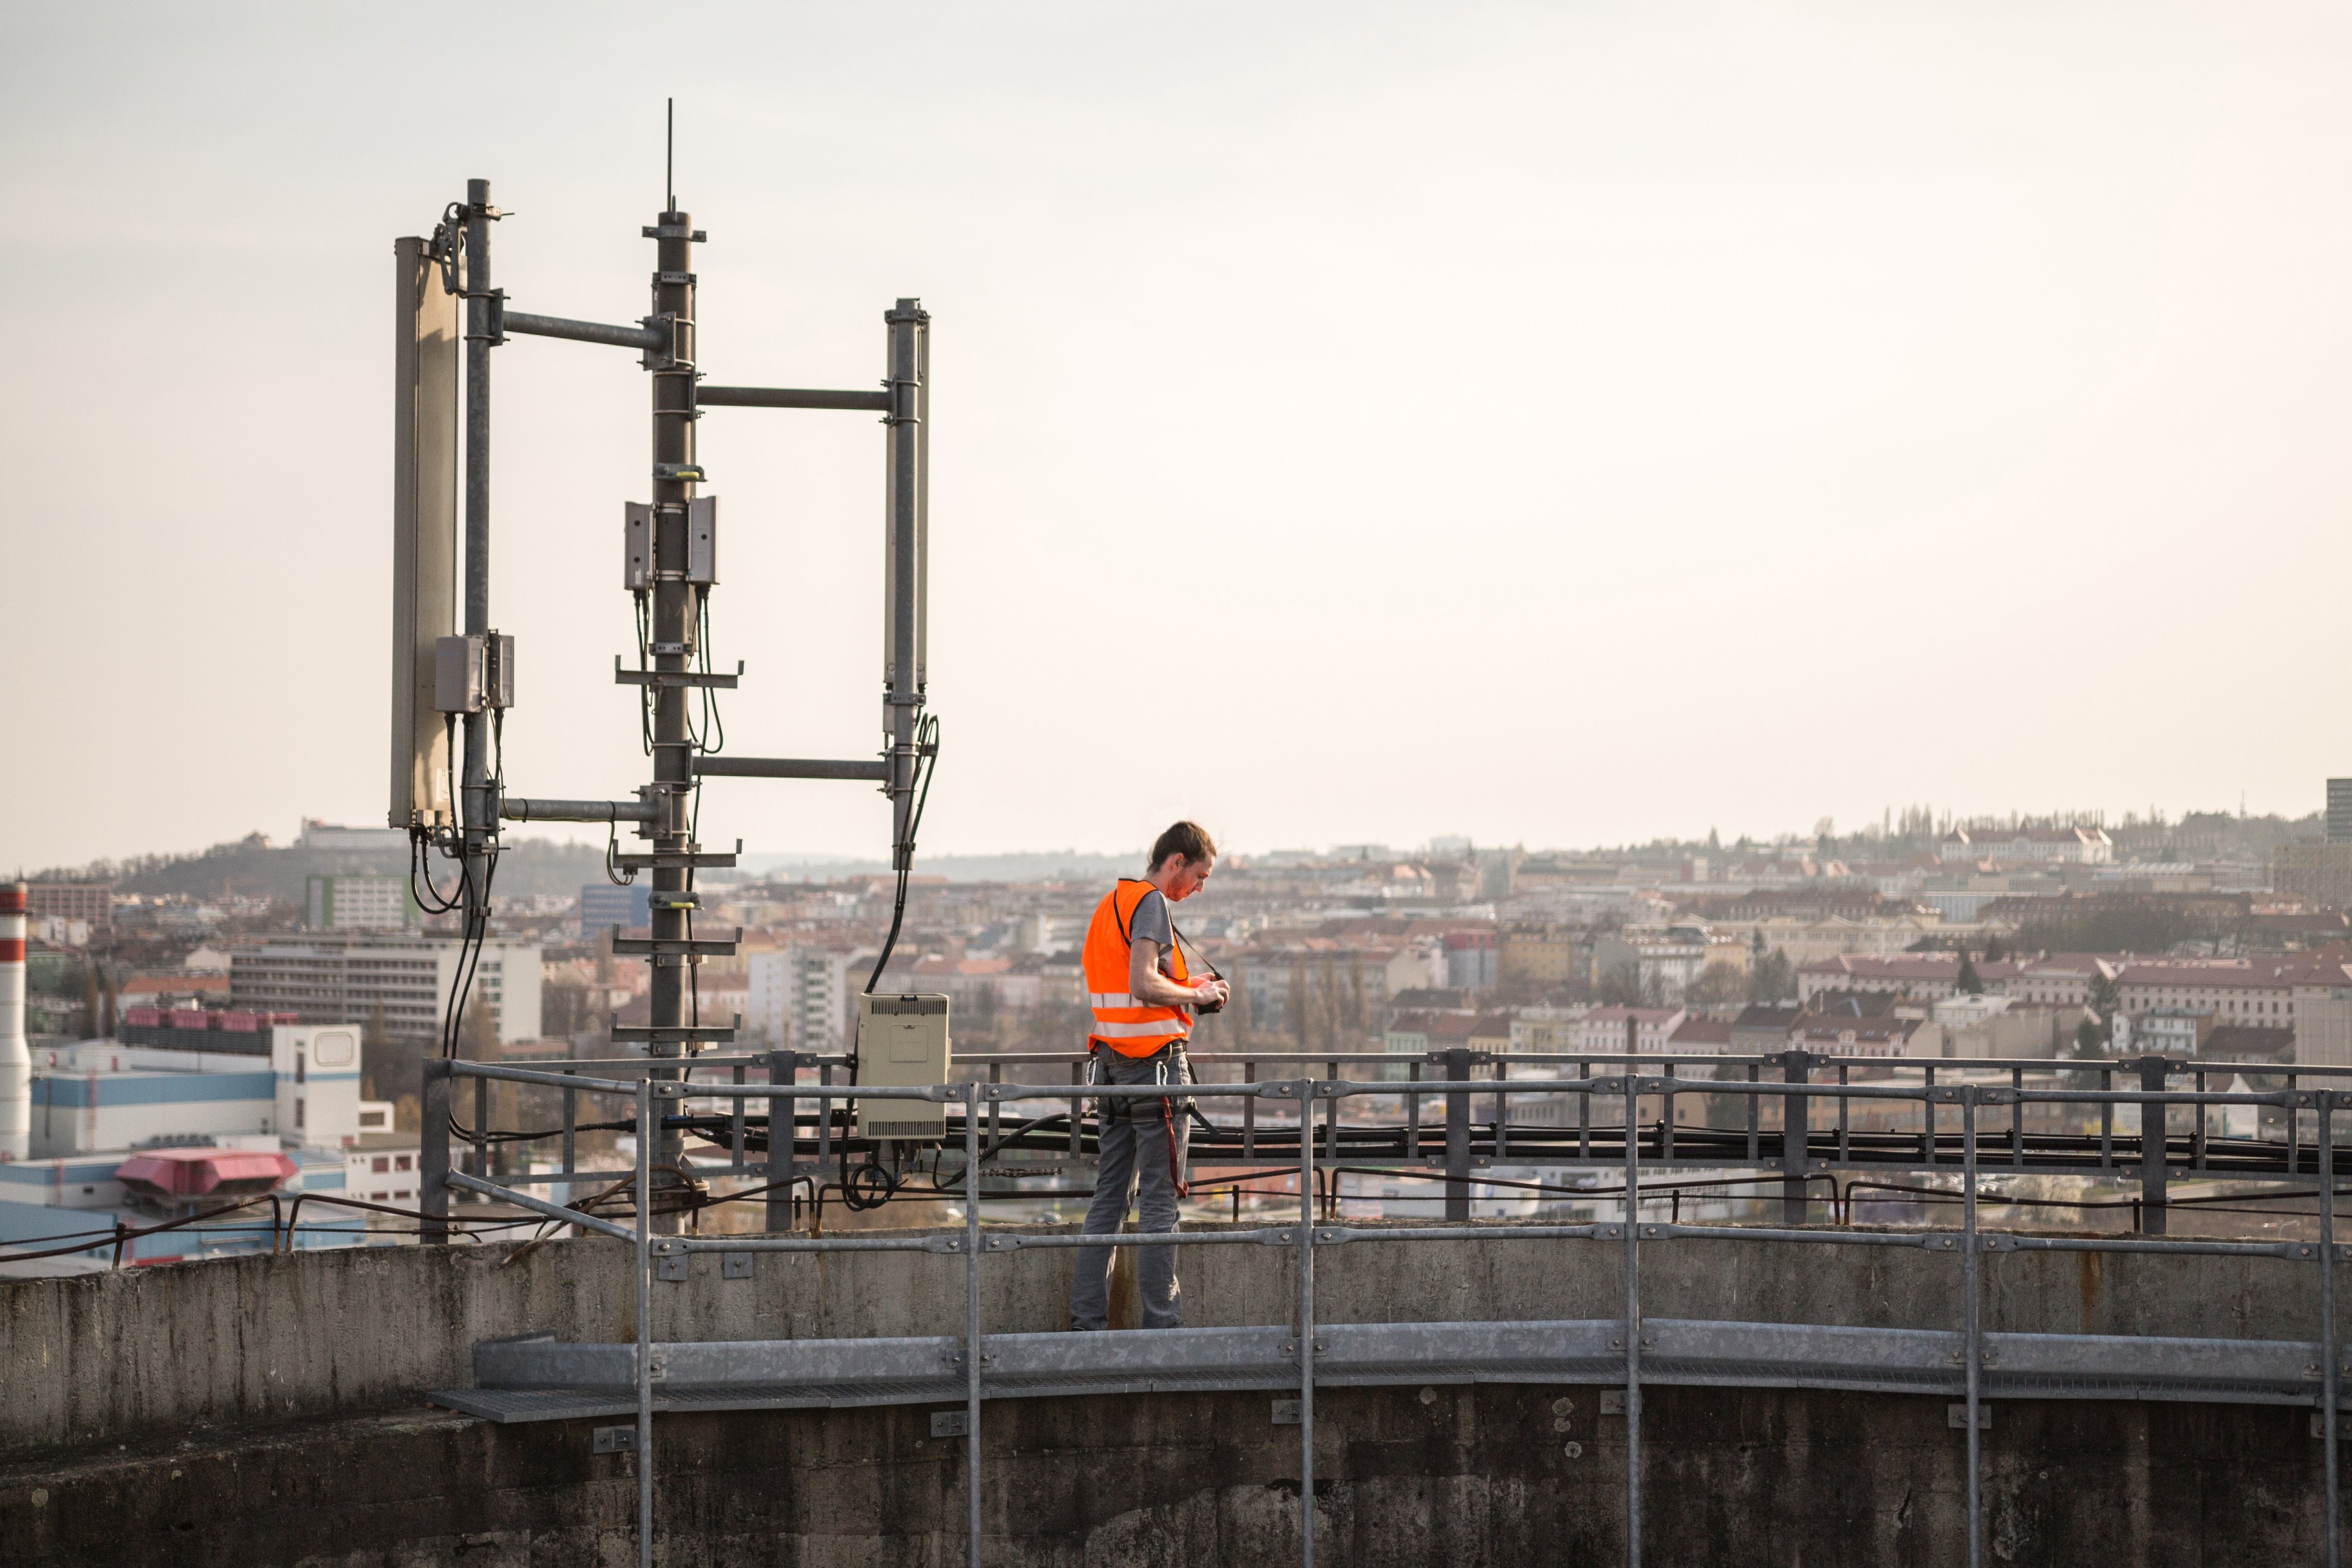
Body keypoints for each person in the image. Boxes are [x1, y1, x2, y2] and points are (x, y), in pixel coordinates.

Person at [1068, 820, 1231, 1331]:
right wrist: (1200, 996)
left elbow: (1132, 983)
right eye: (1200, 876)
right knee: (1161, 1199)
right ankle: (1163, 1328)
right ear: (1176, 862)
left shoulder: (1111, 903)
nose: (1200, 888)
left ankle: (1086, 1326)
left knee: (1110, 1197)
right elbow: (1142, 985)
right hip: (1155, 1069)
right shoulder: (1153, 903)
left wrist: (1187, 983)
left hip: (1112, 1069)